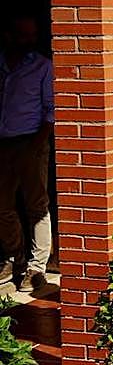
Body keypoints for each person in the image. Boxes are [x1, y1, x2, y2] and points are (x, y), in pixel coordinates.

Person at [0, 15, 54, 291]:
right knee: (3, 206)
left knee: (37, 206)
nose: (28, 42)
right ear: (9, 35)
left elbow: (51, 110)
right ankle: (15, 257)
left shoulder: (43, 67)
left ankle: (36, 269)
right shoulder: (2, 64)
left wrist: (36, 146)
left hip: (31, 141)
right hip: (3, 143)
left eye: (32, 36)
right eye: (22, 35)